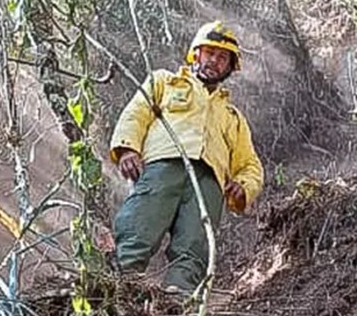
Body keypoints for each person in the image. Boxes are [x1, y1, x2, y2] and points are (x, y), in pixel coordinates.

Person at [109, 21, 264, 293]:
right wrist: (127, 148)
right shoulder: (163, 82)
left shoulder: (233, 118)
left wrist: (243, 187)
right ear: (196, 53)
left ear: (229, 68)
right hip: (163, 166)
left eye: (222, 58)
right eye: (210, 53)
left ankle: (176, 307)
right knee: (139, 226)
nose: (214, 61)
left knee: (194, 247)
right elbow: (136, 113)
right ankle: (120, 291)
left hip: (209, 185)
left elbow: (250, 165)